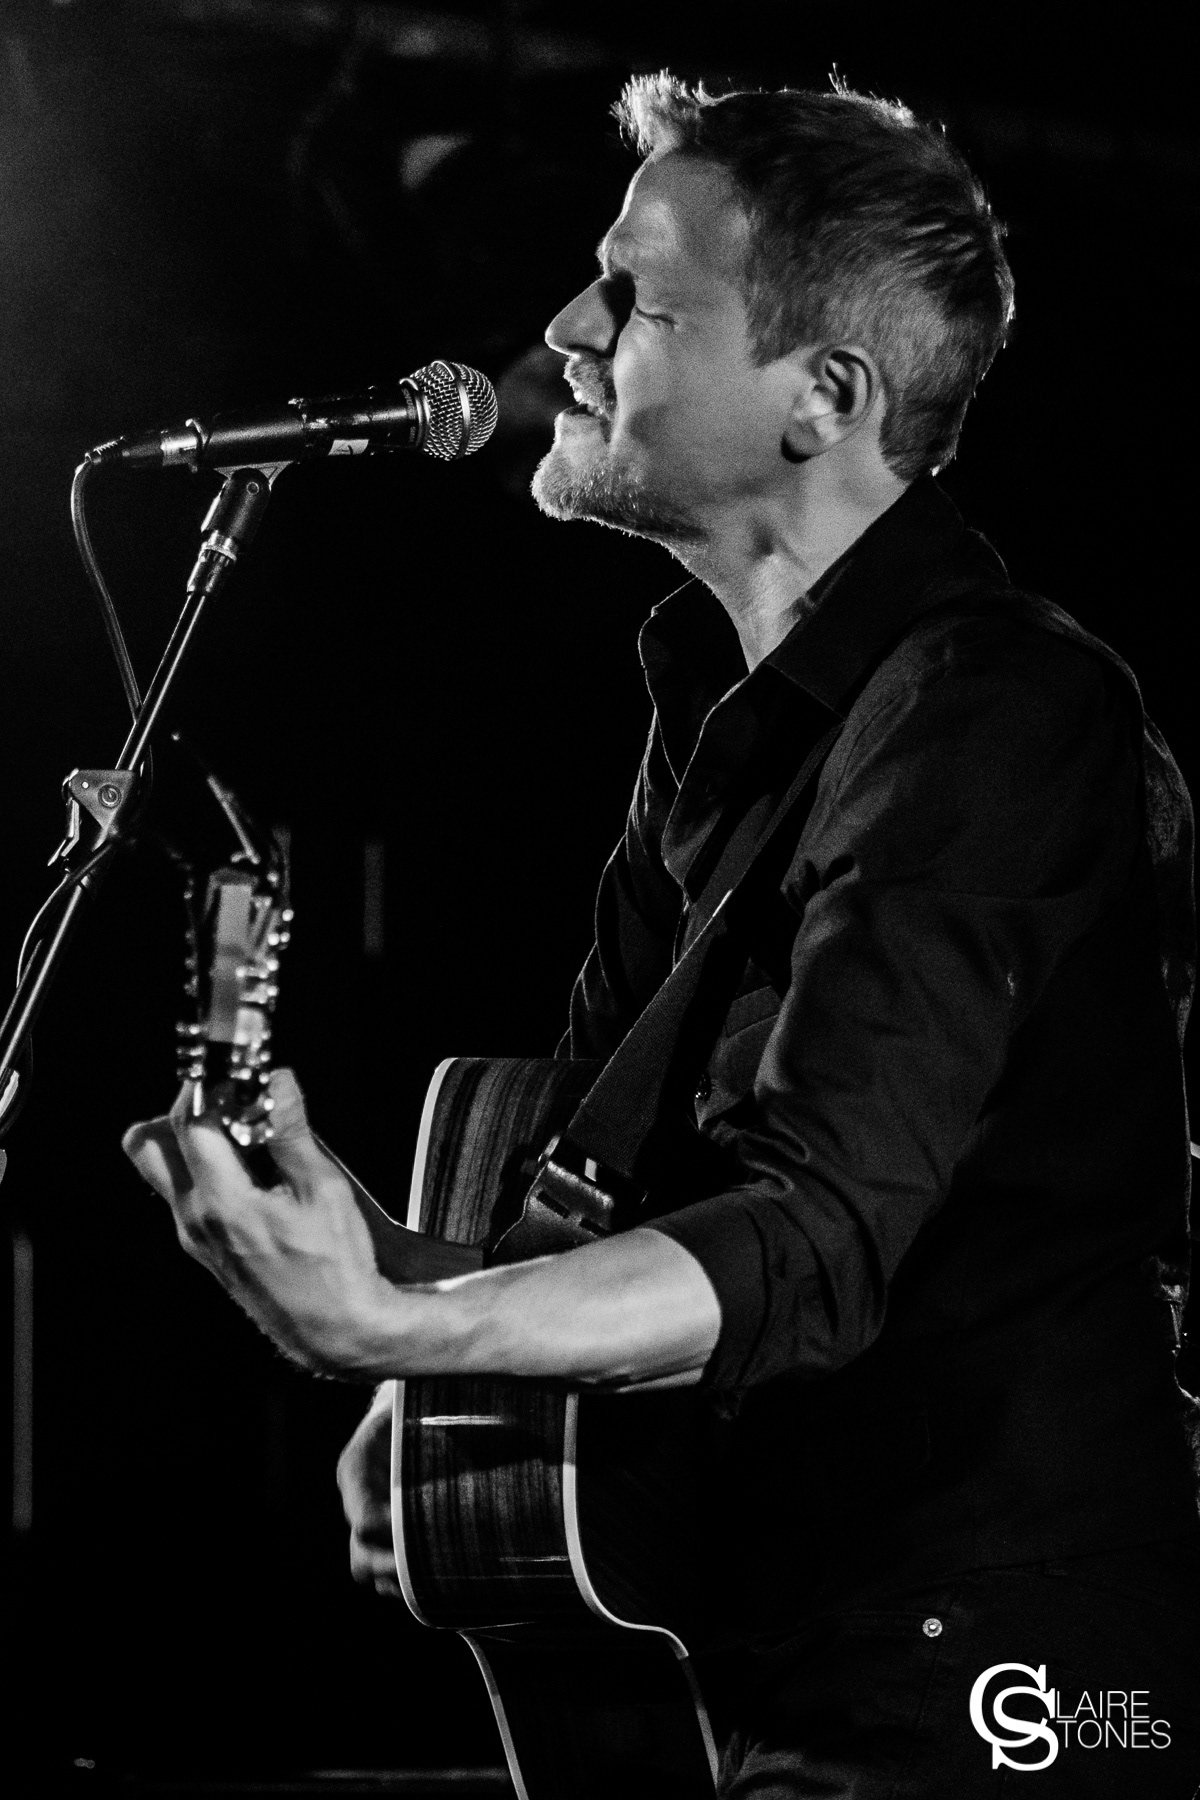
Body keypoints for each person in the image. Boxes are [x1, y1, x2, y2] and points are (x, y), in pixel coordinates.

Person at [124, 75, 1200, 1797]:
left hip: (988, 1652)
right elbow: (614, 1202)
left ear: (822, 397)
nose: (565, 329)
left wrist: (396, 1334)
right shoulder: (715, 712)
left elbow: (813, 1239)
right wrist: (390, 1270)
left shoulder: (995, 714)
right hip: (749, 1630)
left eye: (636, 296)